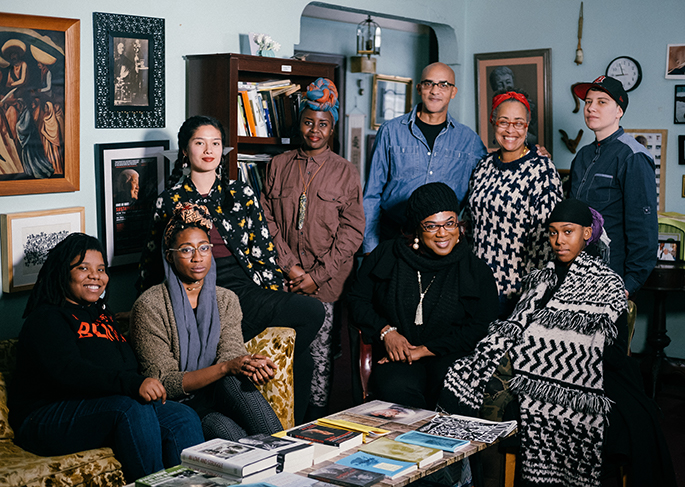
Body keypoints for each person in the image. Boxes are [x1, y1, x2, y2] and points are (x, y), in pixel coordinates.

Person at [440, 199, 676, 487]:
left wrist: (554, 346)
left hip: (593, 370)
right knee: (461, 376)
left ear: (587, 234)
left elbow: (608, 347)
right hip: (531, 371)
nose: (559, 240)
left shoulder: (608, 282)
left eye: (568, 231)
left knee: (637, 421)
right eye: (553, 233)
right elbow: (518, 323)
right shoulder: (539, 281)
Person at [136, 115, 324, 424]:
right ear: (185, 150)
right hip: (199, 290)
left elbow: (263, 250)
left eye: (215, 143)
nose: (208, 150)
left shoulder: (241, 192)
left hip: (245, 287)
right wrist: (149, 307)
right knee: (300, 351)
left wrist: (273, 293)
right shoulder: (170, 199)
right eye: (199, 143)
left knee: (307, 327)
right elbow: (153, 260)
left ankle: (292, 429)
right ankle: (228, 363)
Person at [8, 233, 204, 482]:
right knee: (129, 409)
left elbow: (117, 364)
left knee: (182, 417)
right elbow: (71, 372)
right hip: (44, 417)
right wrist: (133, 384)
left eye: (101, 269)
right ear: (63, 272)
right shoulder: (46, 318)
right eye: (83, 268)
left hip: (96, 406)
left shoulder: (101, 315)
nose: (95, 276)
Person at [131, 203, 282, 440]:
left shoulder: (226, 299)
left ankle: (285, 453)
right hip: (181, 404)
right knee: (228, 432)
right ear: (169, 256)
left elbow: (230, 352)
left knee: (236, 383)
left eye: (204, 248)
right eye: (186, 250)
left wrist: (249, 365)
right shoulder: (149, 306)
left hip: (220, 391)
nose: (197, 257)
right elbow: (165, 381)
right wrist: (226, 367)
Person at [261, 78, 365, 420]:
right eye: (308, 122)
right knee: (282, 353)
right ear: (299, 123)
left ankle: (312, 421)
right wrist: (291, 267)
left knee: (319, 359)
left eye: (323, 124)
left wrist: (316, 277)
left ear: (332, 127)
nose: (314, 130)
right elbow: (267, 221)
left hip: (326, 285)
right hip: (282, 280)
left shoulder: (345, 172)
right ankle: (279, 419)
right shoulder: (278, 165)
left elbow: (352, 231)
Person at [348, 182, 498, 409]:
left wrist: (424, 351)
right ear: (417, 228)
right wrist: (386, 332)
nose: (442, 233)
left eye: (450, 223)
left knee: (452, 386)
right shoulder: (388, 255)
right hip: (398, 354)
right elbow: (356, 299)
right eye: (431, 226)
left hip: (449, 354)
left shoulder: (476, 270)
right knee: (394, 387)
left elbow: (481, 326)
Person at [362, 62, 488, 253]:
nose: (435, 91)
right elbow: (371, 194)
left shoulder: (469, 141)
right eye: (429, 84)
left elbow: (494, 172)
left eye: (443, 85)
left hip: (444, 242)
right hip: (394, 237)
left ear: (453, 92)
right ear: (419, 89)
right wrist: (370, 248)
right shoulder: (391, 131)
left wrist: (529, 152)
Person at [464, 89, 562, 318]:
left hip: (516, 292)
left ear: (528, 126)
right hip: (477, 285)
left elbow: (546, 242)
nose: (511, 130)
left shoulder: (542, 170)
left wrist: (534, 295)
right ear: (493, 123)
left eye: (519, 123)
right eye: (504, 122)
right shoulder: (483, 166)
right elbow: (471, 225)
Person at [570, 75, 657, 296]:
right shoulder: (582, 156)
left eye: (602, 102)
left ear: (619, 110)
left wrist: (629, 285)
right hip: (577, 276)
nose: (591, 108)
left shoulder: (633, 156)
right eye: (588, 102)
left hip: (612, 279)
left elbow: (643, 230)